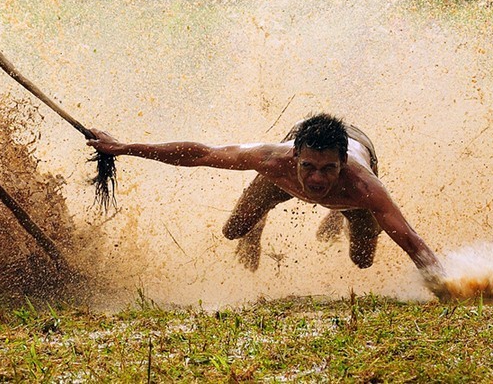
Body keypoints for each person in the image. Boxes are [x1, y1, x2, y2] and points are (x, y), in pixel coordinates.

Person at [87, 113, 446, 294]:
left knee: (363, 260)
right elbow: (200, 153)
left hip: (353, 185)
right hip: (284, 177)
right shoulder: (274, 161)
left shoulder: (365, 187)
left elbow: (413, 242)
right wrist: (123, 147)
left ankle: (340, 215)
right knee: (233, 230)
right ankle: (259, 222)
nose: (317, 179)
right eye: (308, 167)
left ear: (342, 164)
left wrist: (449, 288)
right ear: (295, 156)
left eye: (327, 170)